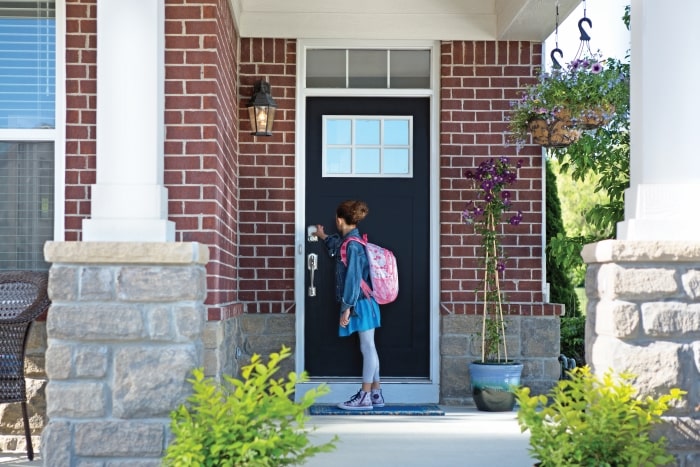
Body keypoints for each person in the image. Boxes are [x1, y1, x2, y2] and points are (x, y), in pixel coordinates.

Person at [313, 200, 384, 410]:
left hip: (360, 302)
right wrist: (323, 236)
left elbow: (353, 279)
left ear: (339, 219)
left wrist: (346, 308)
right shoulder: (351, 242)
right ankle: (376, 393)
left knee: (367, 347)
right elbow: (336, 249)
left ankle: (364, 396)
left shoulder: (353, 245)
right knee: (369, 347)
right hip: (366, 301)